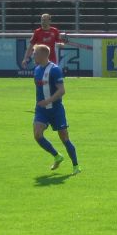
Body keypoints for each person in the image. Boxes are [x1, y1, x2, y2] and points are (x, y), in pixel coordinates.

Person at [31, 44, 80, 173]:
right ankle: (57, 156)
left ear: (43, 55)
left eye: (35, 53)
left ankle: (76, 166)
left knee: (64, 138)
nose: (33, 55)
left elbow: (62, 90)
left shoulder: (55, 70)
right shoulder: (36, 70)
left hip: (56, 110)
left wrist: (48, 101)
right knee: (37, 134)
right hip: (41, 110)